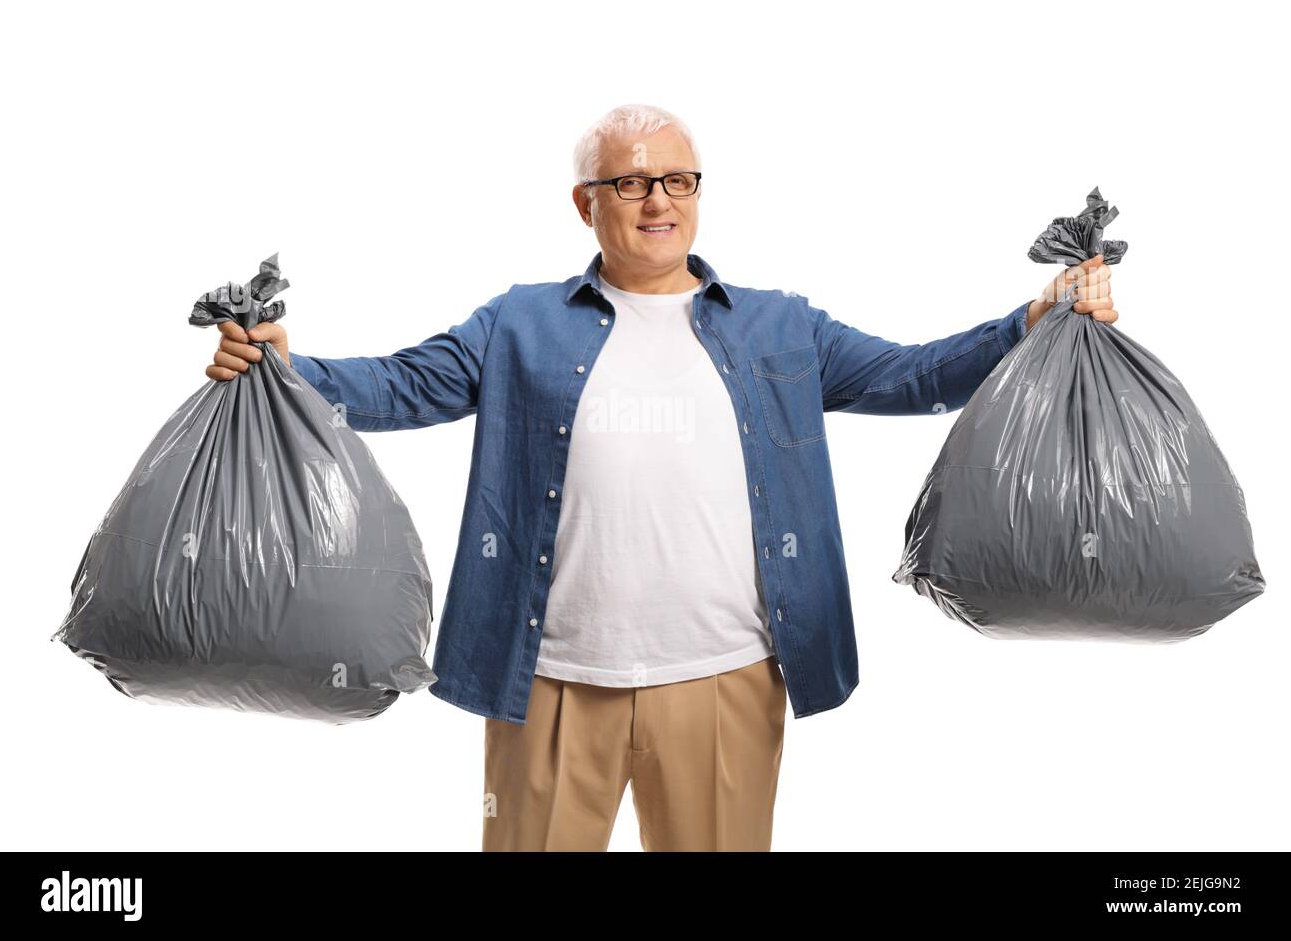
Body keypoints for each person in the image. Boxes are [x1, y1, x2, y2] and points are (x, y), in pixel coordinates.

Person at [206, 104, 1116, 851]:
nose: (657, 201)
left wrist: (1034, 319)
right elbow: (403, 385)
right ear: (585, 203)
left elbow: (915, 375)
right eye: (631, 181)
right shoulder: (517, 324)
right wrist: (291, 369)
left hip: (724, 678)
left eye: (677, 180)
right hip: (549, 679)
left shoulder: (778, 327)